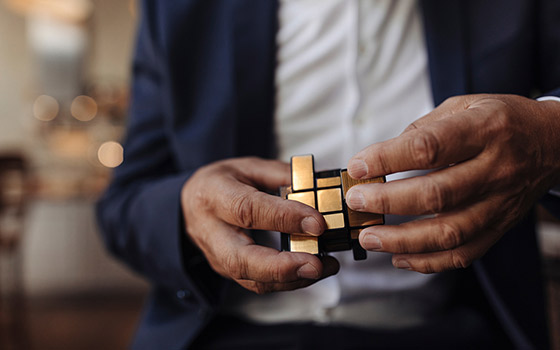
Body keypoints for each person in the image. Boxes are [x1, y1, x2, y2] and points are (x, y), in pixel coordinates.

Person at [97, 0, 560, 348]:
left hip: (453, 327)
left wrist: (552, 136)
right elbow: (124, 205)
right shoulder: (175, 9)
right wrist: (188, 208)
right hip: (224, 331)